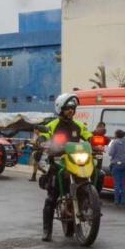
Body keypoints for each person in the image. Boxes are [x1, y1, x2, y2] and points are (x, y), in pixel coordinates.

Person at [39, 93, 92, 241]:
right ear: (60, 109)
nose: (71, 111)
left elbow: (89, 135)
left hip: (75, 161)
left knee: (98, 173)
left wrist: (96, 141)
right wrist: (42, 141)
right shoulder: (53, 125)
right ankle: (47, 230)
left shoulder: (79, 125)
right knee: (51, 197)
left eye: (73, 108)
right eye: (68, 108)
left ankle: (91, 202)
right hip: (58, 162)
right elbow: (44, 135)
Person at [108, 129, 125, 205]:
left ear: (116, 135)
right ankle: (123, 201)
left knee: (117, 183)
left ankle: (116, 201)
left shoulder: (114, 143)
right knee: (122, 183)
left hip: (116, 164)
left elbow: (110, 153)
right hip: (123, 164)